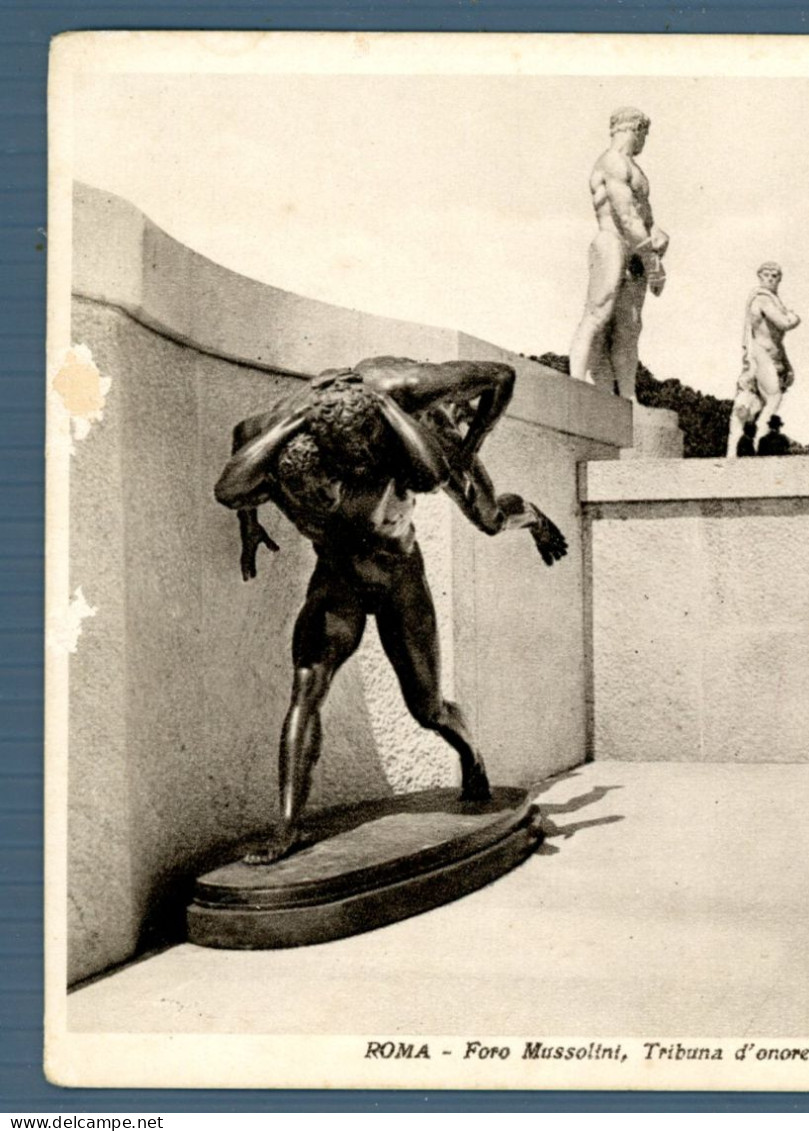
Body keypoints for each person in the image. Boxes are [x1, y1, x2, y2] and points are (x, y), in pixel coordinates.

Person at [214, 357, 566, 865]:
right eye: (316, 496)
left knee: (428, 711)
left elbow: (435, 470)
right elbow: (231, 476)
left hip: (399, 574)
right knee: (306, 688)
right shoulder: (273, 443)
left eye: (338, 488)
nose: (328, 499)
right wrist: (249, 523)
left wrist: (438, 435)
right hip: (338, 579)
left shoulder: (398, 412)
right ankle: (287, 826)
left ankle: (471, 755)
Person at [567, 107, 668, 401]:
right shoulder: (611, 162)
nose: (644, 142)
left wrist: (657, 236)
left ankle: (627, 396)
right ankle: (574, 383)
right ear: (635, 129)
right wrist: (653, 263)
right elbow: (625, 216)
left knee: (630, 326)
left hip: (635, 250)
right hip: (612, 241)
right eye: (644, 134)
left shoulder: (633, 168)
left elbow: (644, 217)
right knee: (599, 311)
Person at [741, 262, 800, 447]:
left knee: (760, 402)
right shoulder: (763, 299)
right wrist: (795, 317)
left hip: (772, 356)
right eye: (767, 275)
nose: (770, 279)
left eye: (774, 276)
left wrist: (787, 364)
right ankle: (760, 435)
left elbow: (777, 341)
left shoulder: (773, 300)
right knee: (774, 397)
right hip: (761, 354)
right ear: (760, 276)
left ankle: (751, 441)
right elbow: (784, 323)